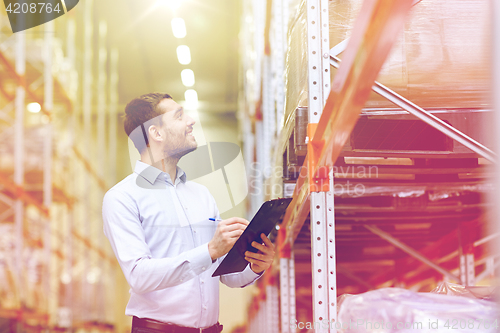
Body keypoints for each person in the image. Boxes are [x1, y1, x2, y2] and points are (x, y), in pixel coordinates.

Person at [102, 93, 275, 333]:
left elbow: (224, 275)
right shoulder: (122, 197)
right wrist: (210, 250)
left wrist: (256, 266)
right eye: (180, 116)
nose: (191, 120)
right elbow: (139, 277)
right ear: (156, 133)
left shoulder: (201, 195)